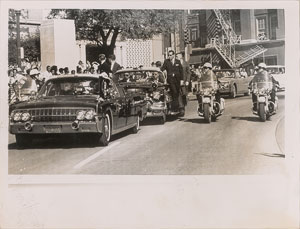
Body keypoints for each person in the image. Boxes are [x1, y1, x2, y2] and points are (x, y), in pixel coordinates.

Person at [160, 50, 185, 116]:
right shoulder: (166, 62)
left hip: (177, 80)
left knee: (178, 92)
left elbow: (181, 71)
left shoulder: (178, 61)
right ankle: (175, 107)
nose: (170, 56)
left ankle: (180, 107)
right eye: (169, 55)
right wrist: (159, 70)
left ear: (173, 55)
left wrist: (182, 80)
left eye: (171, 55)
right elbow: (162, 68)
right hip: (170, 81)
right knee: (174, 92)